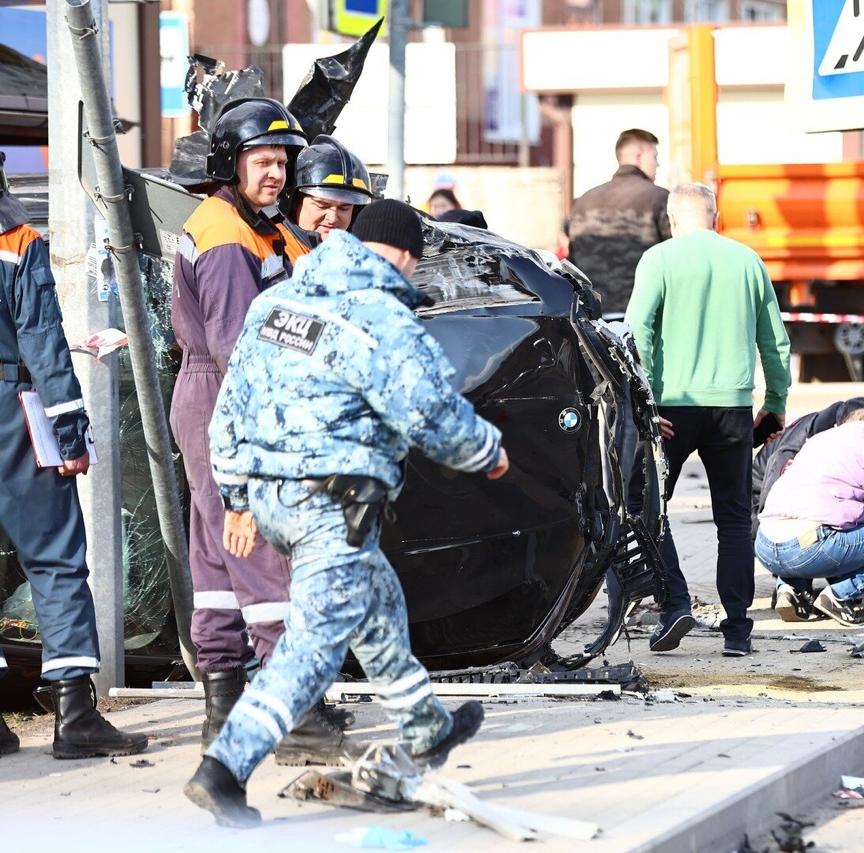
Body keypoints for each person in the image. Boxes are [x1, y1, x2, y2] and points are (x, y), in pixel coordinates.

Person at [185, 200, 508, 827]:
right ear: (409, 256)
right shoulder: (382, 318)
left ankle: (426, 727)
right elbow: (431, 414)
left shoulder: (276, 305)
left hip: (275, 497)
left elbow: (229, 410)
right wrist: (489, 454)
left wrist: (237, 496)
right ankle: (223, 769)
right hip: (334, 503)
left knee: (376, 597)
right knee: (313, 644)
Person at [170, 97, 346, 763]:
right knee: (263, 549)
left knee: (216, 556)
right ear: (231, 163)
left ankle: (223, 711)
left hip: (210, 393)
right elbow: (239, 340)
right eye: (263, 161)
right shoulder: (225, 236)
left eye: (282, 162)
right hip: (231, 393)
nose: (275, 174)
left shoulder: (252, 226)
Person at [0, 153, 147, 759]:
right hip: (11, 411)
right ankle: (75, 713)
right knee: (55, 556)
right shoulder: (17, 241)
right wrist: (70, 432)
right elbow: (42, 340)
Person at [625, 182, 791, 657]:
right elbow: (775, 340)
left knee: (648, 506)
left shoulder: (658, 260)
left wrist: (647, 401)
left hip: (671, 408)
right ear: (715, 217)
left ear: (672, 221)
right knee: (734, 521)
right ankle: (738, 630)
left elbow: (637, 331)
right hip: (733, 408)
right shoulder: (747, 262)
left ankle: (675, 601)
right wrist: (775, 401)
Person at [755, 409, 864, 626]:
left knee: (807, 520)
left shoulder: (817, 440)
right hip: (808, 547)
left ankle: (789, 589)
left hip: (766, 544)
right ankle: (839, 595)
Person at [569, 128, 671, 317]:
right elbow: (674, 256)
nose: (658, 163)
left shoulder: (583, 202)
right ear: (639, 155)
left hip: (593, 317)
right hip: (644, 314)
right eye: (655, 156)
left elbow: (573, 262)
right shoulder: (659, 198)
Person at [289, 134, 373, 240]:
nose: (332, 219)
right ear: (294, 203)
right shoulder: (271, 249)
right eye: (322, 205)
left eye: (344, 208)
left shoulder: (358, 253)